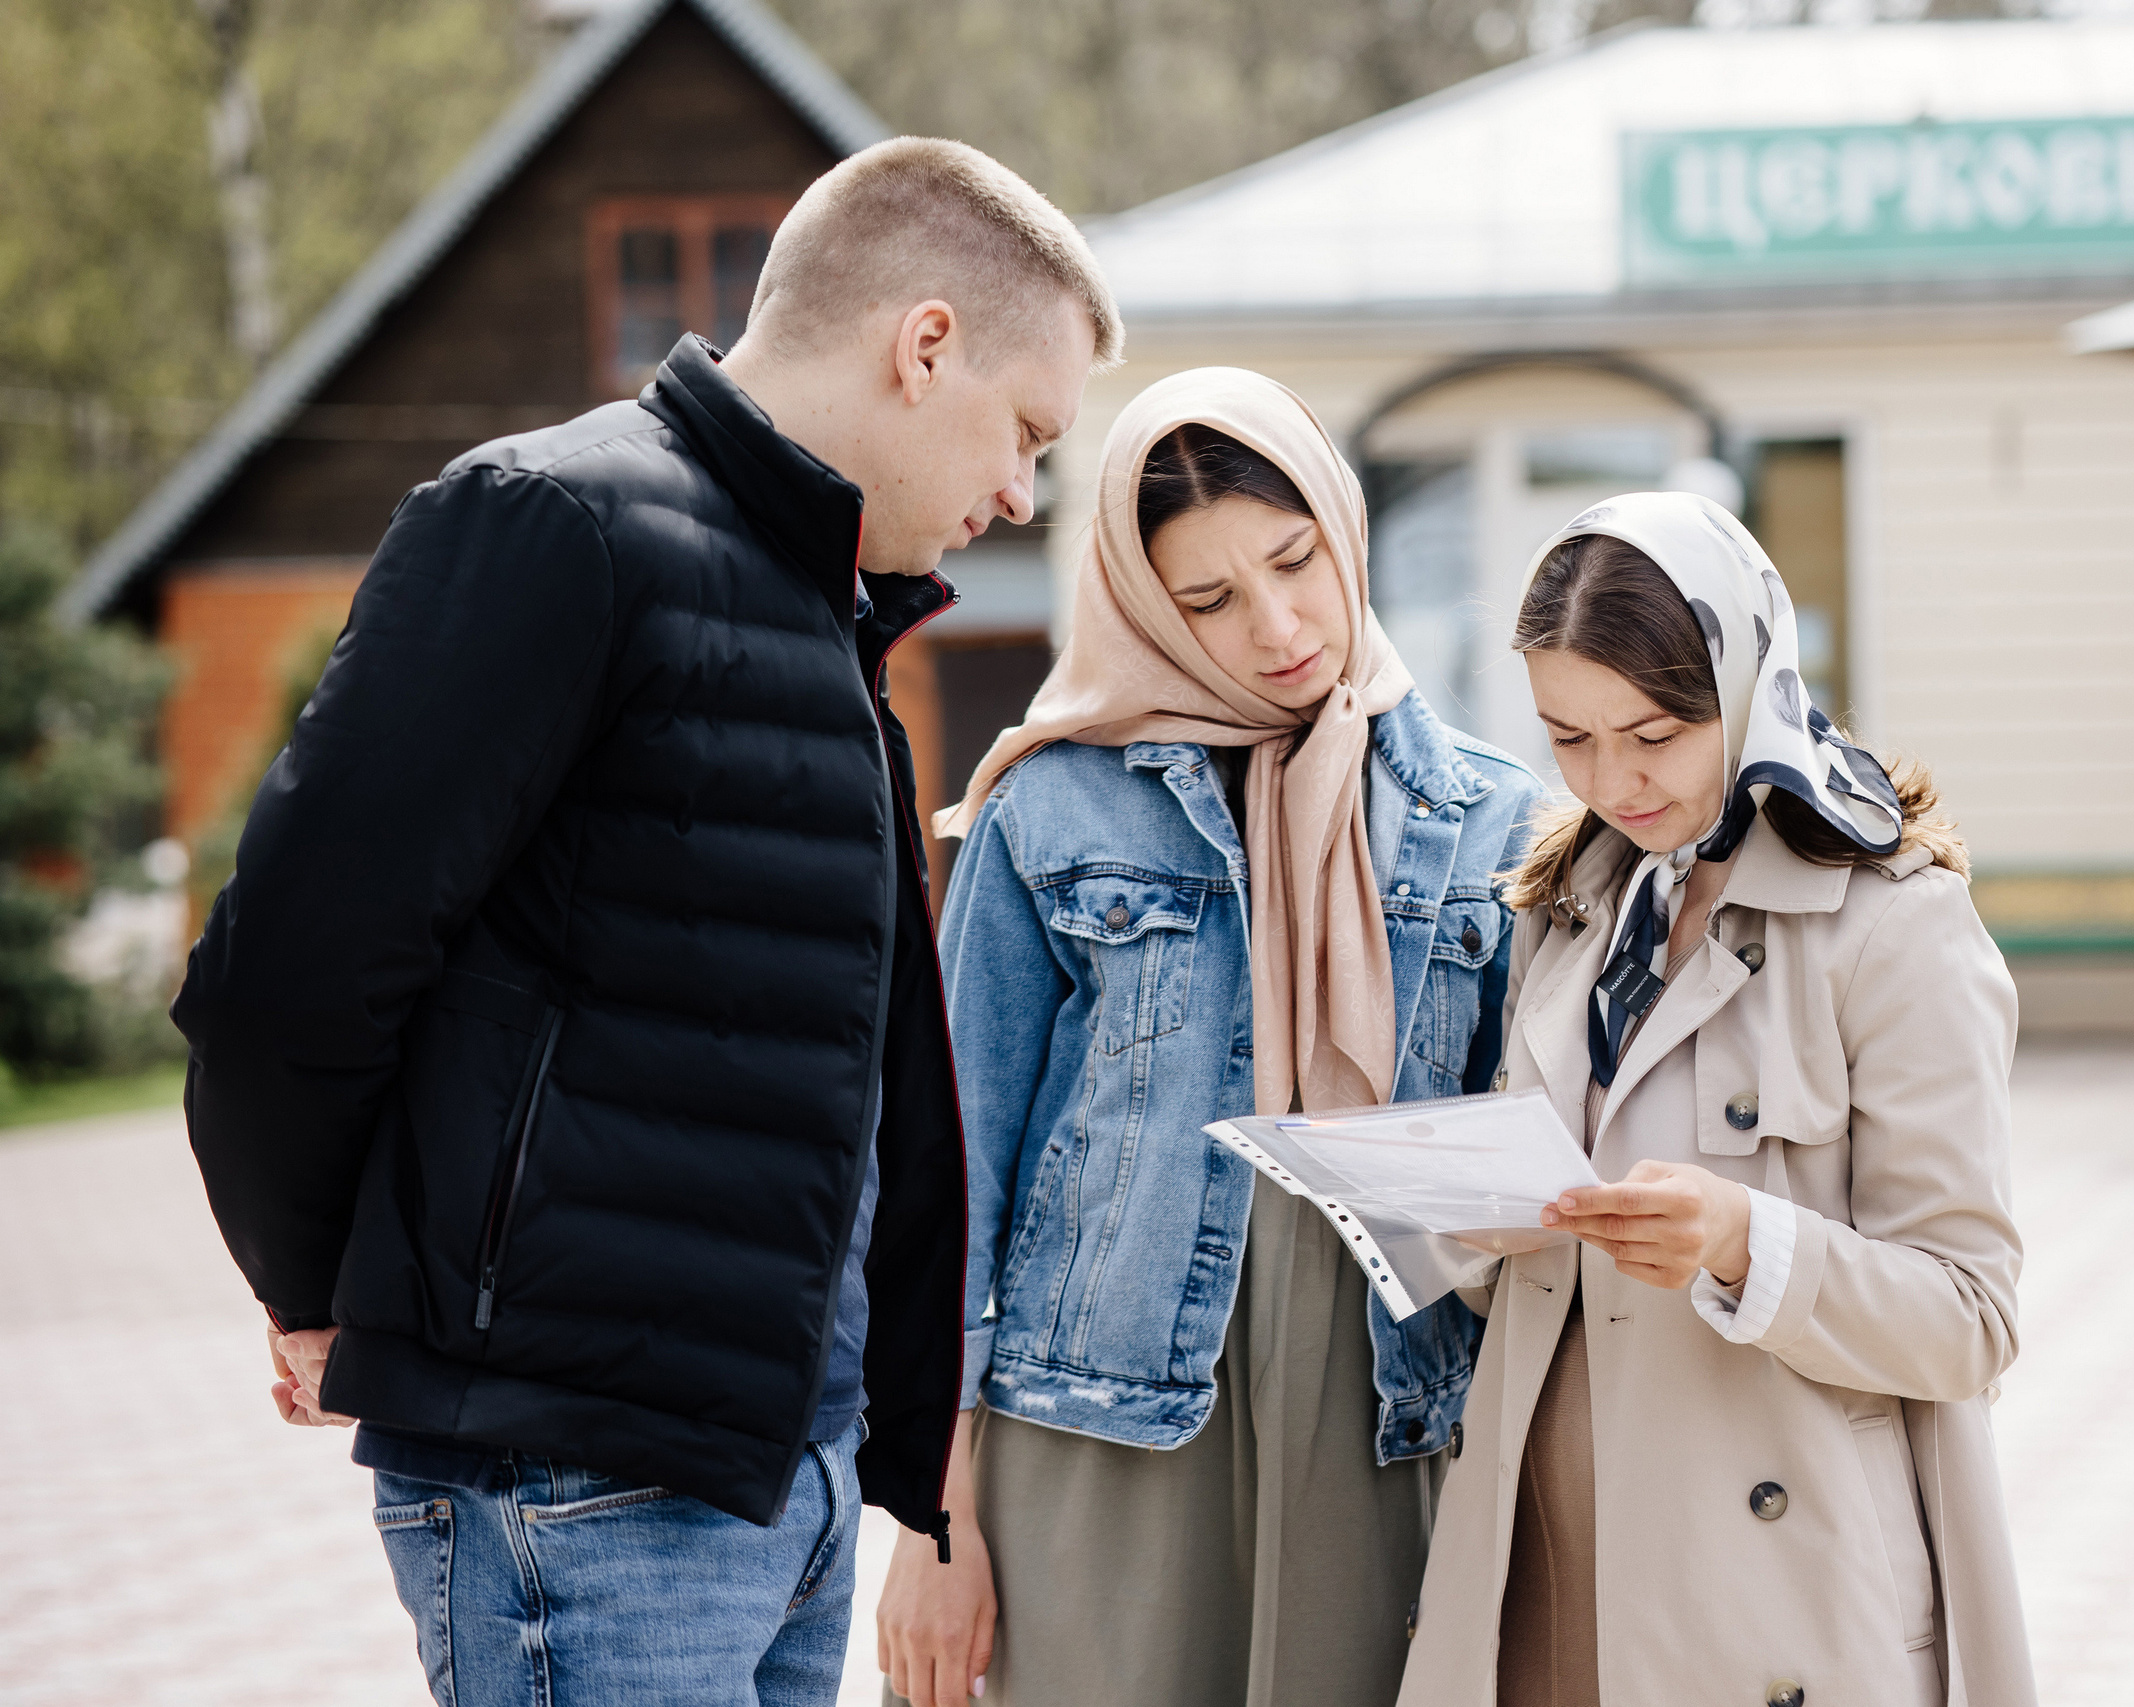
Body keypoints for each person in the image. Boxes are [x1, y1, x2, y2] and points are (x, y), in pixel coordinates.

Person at [170, 137, 1122, 1707]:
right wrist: (316, 1287)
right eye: (1024, 433)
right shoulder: (553, 525)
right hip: (578, 1479)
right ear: (923, 342)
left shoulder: (822, 610)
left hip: (773, 1468)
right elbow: (292, 969)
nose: (1018, 494)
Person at [873, 367, 1547, 1707]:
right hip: (1098, 1415)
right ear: (1142, 603)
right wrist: (931, 1521)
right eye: (1210, 599)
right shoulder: (1049, 807)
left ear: (1342, 530)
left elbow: (1535, 1183)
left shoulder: (1495, 821)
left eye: (1296, 561)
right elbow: (947, 1184)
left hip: (1390, 1412)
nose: (1280, 624)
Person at [1398, 492, 2035, 1707]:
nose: (1614, 782)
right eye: (1568, 738)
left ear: (1743, 684)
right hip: (1542, 1558)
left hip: (1764, 1593)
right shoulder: (1566, 906)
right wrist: (1467, 1217)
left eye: (1653, 733)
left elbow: (1971, 1319)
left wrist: (1747, 1242)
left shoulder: (1893, 922)